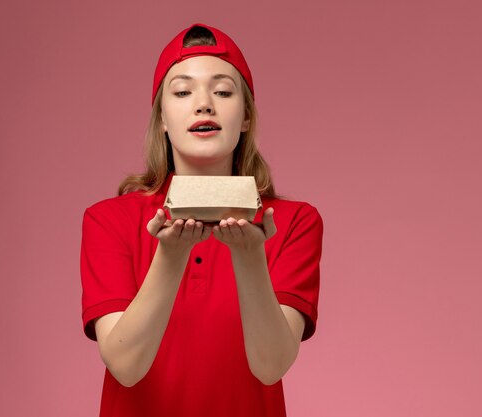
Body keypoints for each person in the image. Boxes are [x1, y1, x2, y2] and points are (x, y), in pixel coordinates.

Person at [80, 22, 324, 417]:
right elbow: (125, 366)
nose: (204, 103)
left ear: (245, 117)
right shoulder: (109, 220)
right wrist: (171, 256)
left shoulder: (294, 221)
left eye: (224, 91)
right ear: (161, 118)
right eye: (182, 91)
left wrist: (249, 257)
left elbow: (271, 365)